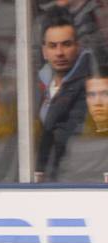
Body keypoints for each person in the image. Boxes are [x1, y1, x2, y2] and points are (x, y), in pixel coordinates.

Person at [35, 7, 91, 181]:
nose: (59, 53)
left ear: (78, 46)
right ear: (44, 51)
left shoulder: (88, 89)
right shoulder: (34, 85)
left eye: (66, 44)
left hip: (73, 181)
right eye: (53, 46)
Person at [57, 61, 108, 181]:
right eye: (91, 95)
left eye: (105, 94)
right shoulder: (74, 141)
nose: (98, 102)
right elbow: (63, 181)